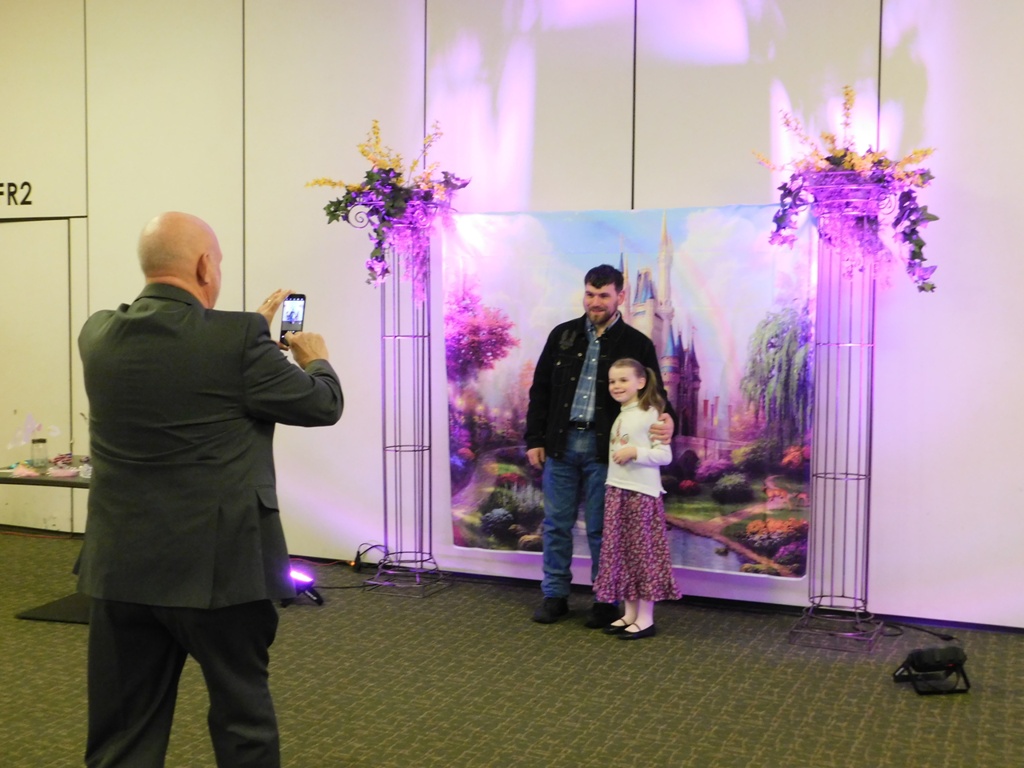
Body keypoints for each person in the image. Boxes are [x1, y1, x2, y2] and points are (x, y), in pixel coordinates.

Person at [76, 211, 343, 768]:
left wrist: (251, 337)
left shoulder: (97, 333)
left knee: (123, 734)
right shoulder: (238, 341)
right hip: (220, 571)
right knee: (242, 722)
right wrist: (314, 357)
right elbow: (322, 405)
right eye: (216, 262)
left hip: (120, 568)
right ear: (204, 266)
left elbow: (186, 364)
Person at [525, 264, 673, 628]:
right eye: (590, 294)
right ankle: (554, 596)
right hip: (560, 445)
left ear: (620, 296)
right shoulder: (562, 335)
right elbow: (540, 391)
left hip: (606, 451)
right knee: (556, 525)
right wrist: (535, 439)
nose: (595, 302)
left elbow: (657, 395)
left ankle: (605, 600)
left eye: (603, 295)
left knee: (601, 529)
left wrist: (669, 420)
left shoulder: (637, 343)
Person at [594, 358, 681, 639]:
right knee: (623, 555)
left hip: (640, 495)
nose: (616, 386)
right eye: (612, 381)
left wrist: (635, 452)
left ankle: (646, 618)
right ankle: (629, 614)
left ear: (641, 382)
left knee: (643, 556)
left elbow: (664, 455)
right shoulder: (623, 413)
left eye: (623, 380)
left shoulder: (650, 413)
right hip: (617, 491)